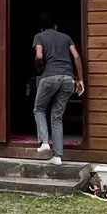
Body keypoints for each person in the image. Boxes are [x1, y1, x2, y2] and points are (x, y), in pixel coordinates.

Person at [32, 13, 84, 164]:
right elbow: (76, 57)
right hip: (68, 79)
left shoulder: (39, 37)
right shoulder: (66, 37)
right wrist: (79, 80)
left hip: (49, 77)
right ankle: (57, 156)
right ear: (56, 26)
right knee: (57, 116)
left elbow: (39, 56)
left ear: (42, 28)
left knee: (39, 109)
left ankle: (44, 142)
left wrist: (39, 67)